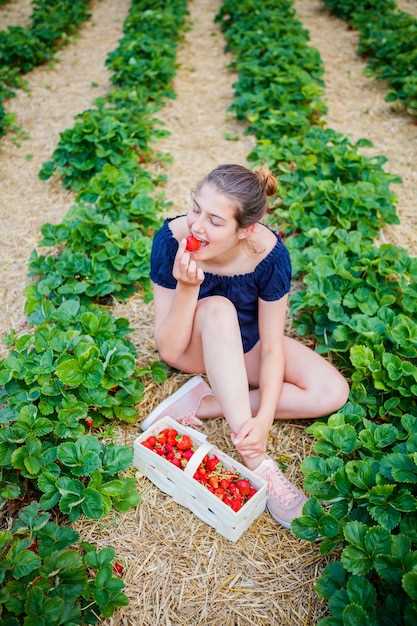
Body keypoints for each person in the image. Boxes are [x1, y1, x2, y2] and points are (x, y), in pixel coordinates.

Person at [144, 163, 349, 529]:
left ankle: (206, 404)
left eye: (215, 221)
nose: (196, 226)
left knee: (331, 391)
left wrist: (265, 417)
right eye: (195, 208)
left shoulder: (269, 256)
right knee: (220, 309)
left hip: (246, 347)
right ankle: (260, 465)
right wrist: (188, 287)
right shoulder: (170, 240)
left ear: (246, 230)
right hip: (194, 345)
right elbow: (170, 351)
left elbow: (271, 348)